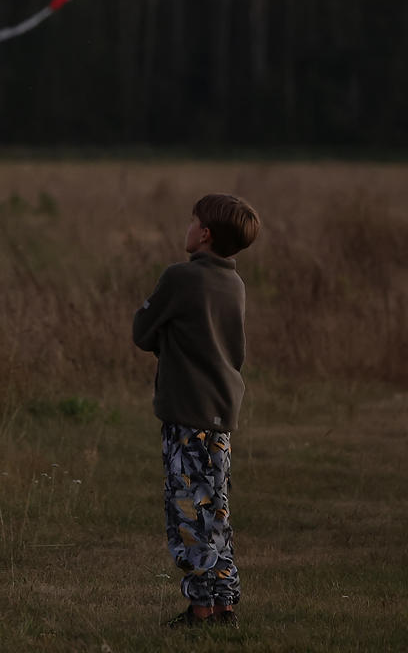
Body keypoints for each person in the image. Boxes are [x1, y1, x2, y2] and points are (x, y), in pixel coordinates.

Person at [132, 193, 262, 628]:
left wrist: (167, 338)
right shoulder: (235, 284)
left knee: (188, 510)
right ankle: (225, 604)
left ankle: (201, 609)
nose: (187, 227)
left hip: (187, 414)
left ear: (204, 234)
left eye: (193, 221)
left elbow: (142, 330)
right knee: (216, 508)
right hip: (221, 414)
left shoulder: (181, 278)